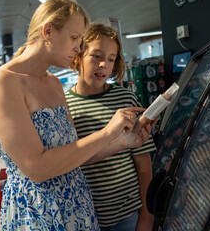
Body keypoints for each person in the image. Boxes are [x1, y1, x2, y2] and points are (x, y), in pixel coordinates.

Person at [0, 0, 151, 230]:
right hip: (38, 212)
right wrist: (107, 132)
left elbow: (73, 155)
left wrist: (122, 142)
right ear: (48, 31)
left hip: (78, 206)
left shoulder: (53, 83)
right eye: (74, 38)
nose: (78, 47)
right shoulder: (3, 82)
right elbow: (37, 168)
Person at [65, 23, 156, 231]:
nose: (103, 64)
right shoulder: (63, 105)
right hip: (81, 217)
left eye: (111, 59)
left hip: (127, 214)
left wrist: (146, 217)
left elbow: (143, 162)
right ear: (78, 55)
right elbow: (66, 160)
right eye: (96, 56)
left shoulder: (126, 98)